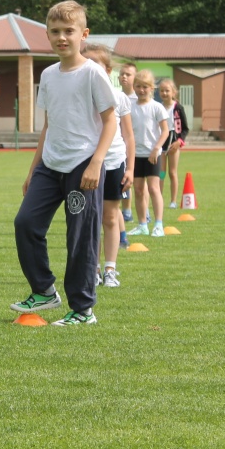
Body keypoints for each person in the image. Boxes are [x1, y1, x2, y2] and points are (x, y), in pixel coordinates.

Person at [10, 1, 117, 326]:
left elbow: (110, 121)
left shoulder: (93, 73)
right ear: (47, 34)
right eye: (54, 31)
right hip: (49, 166)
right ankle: (43, 290)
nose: (61, 37)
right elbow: (49, 125)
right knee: (25, 223)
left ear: (83, 34)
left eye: (68, 31)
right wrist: (33, 170)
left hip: (81, 167)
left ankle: (83, 309)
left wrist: (96, 163)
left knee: (80, 237)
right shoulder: (48, 74)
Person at [83, 45, 133, 287]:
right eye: (86, 62)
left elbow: (129, 136)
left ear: (108, 70)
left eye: (96, 63)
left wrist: (131, 168)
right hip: (86, 163)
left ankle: (110, 269)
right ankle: (92, 268)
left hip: (113, 163)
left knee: (111, 218)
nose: (91, 67)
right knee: (90, 218)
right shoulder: (79, 95)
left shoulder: (119, 97)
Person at [127, 69, 169, 238]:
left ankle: (158, 224)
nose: (141, 90)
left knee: (153, 188)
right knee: (138, 190)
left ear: (152, 88)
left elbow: (165, 131)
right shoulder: (130, 107)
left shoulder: (156, 107)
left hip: (152, 155)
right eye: (138, 86)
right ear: (134, 87)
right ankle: (142, 224)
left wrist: (156, 148)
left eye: (145, 87)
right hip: (135, 155)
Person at [157, 77, 188, 208]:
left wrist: (179, 142)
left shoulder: (178, 108)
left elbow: (185, 128)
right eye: (162, 91)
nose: (164, 93)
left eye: (167, 91)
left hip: (174, 140)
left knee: (172, 172)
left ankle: (173, 201)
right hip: (162, 140)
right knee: (161, 173)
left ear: (173, 92)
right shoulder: (158, 107)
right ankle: (159, 198)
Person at [117, 62, 137, 225]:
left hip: (139, 146)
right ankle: (126, 212)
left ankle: (143, 214)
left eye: (128, 74)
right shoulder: (115, 96)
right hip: (120, 146)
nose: (124, 76)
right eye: (122, 74)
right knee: (124, 180)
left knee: (142, 182)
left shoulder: (140, 99)